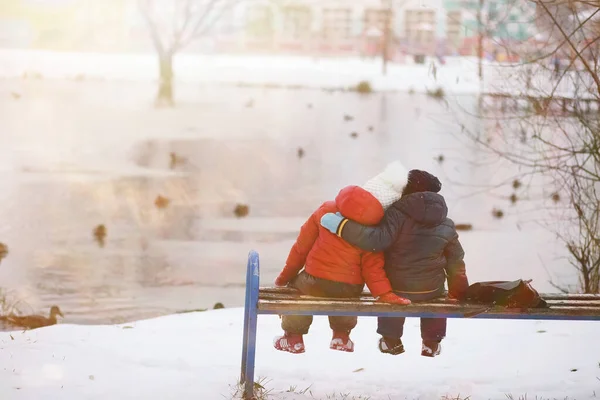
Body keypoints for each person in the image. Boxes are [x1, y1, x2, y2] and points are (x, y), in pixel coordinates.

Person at [320, 169, 468, 358]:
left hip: (397, 288)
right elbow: (456, 260)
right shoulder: (445, 222)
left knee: (393, 290)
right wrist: (459, 290)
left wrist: (341, 225)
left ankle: (390, 340)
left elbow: (375, 241)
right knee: (435, 297)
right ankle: (431, 342)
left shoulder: (395, 215)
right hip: (431, 289)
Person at [273, 161, 412, 354]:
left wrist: (285, 276)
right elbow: (373, 269)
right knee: (349, 294)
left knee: (299, 292)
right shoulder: (372, 232)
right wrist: (384, 293)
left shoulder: (326, 209)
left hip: (314, 280)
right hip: (348, 286)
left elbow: (301, 248)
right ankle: (341, 335)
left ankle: (294, 338)